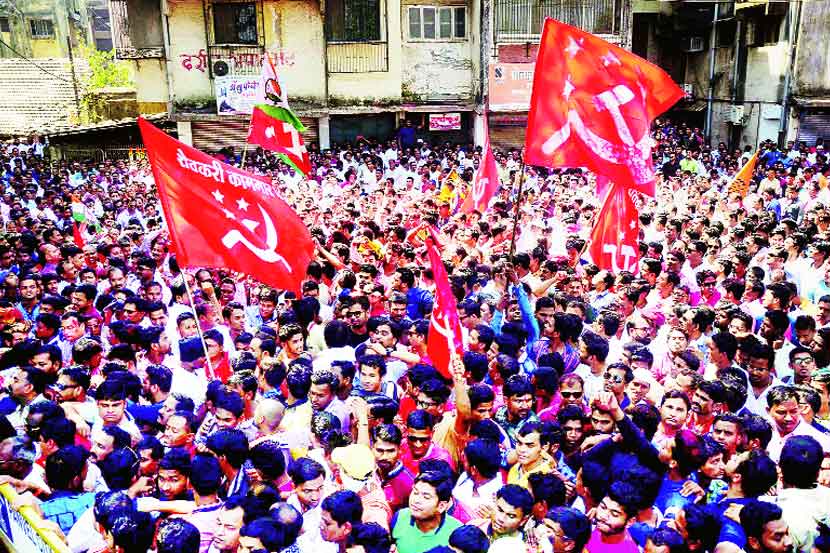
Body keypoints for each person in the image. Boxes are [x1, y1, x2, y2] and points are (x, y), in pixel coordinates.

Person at [391, 471, 462, 553]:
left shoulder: (457, 533)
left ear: (441, 506)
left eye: (426, 497)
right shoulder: (400, 517)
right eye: (415, 492)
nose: (416, 500)